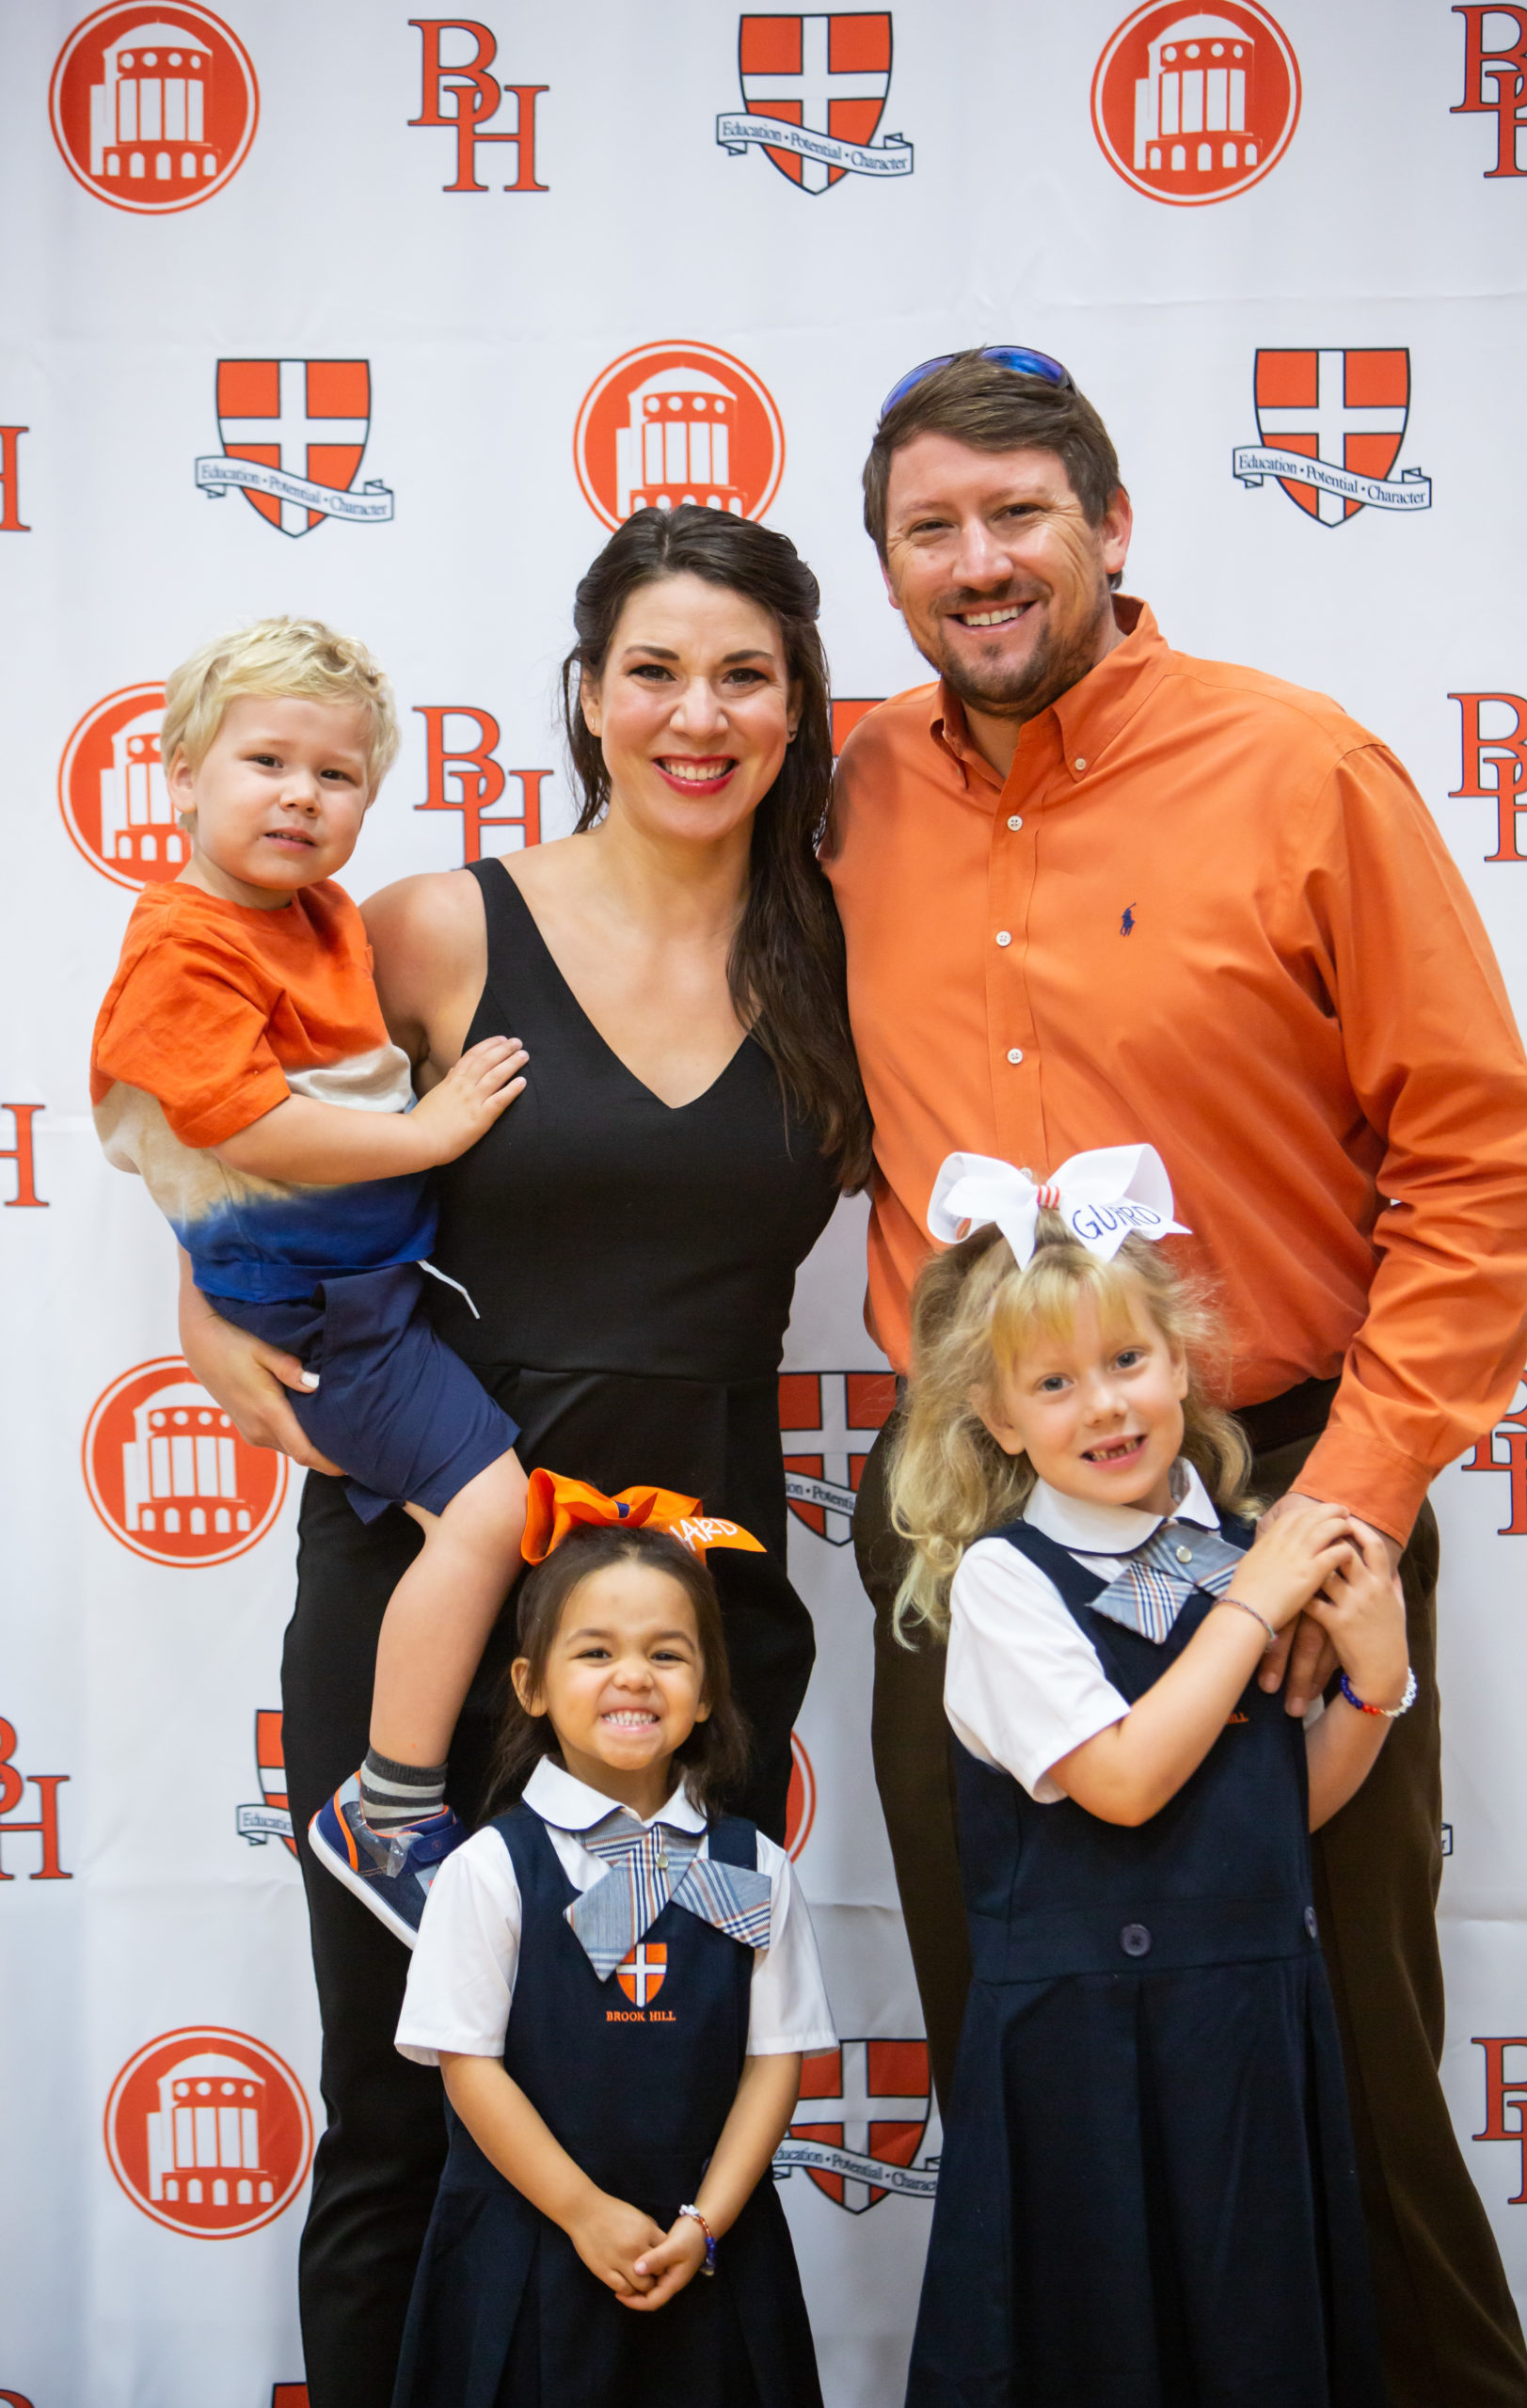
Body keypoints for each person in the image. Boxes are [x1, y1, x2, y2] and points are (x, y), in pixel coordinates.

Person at [826, 347, 1527, 2408]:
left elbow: (1477, 1171)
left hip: (1282, 1483)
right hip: (968, 1509)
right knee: (1023, 2045)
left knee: (1342, 2052)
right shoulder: (840, 792)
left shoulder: (1300, 769)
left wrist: (1348, 1511)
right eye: (929, 529)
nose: (978, 563)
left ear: (1112, 525)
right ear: (884, 567)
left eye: (1017, 514)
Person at [177, 508, 871, 2408]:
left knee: (663, 2108)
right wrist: (201, 1314)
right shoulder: (433, 928)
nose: (695, 713)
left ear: (798, 703)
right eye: (653, 669)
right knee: (404, 2101)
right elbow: (241, 1146)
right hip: (431, 1590)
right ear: (584, 693)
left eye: (742, 674)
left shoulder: (848, 954)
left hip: (697, 1619)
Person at [891, 1145, 1403, 2405]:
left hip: (1246, 2031)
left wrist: (1374, 1683)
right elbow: (1120, 1781)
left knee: (1255, 2347)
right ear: (1000, 1421)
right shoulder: (1006, 1580)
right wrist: (1256, 1605)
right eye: (1053, 1384)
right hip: (1078, 2055)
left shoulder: (1234, 1556)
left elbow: (1281, 1807)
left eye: (1126, 1361)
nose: (1104, 1408)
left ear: (1182, 1364)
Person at [91, 618, 533, 1941]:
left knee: (482, 1519)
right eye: (266, 762)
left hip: (366, 1288)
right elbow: (246, 1127)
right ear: (180, 776)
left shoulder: (321, 916)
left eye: (336, 776)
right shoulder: (185, 943)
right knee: (491, 1513)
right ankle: (387, 1809)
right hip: (325, 1319)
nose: (301, 796)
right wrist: (428, 1136)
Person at [392, 1477, 833, 2407]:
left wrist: (706, 2223)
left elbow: (775, 2061)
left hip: (707, 2252)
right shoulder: (493, 1868)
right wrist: (583, 2212)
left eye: (667, 1654)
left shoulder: (750, 1864)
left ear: (706, 1693)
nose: (633, 1675)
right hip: (533, 2247)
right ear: (531, 1685)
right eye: (595, 1651)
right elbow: (467, 2065)